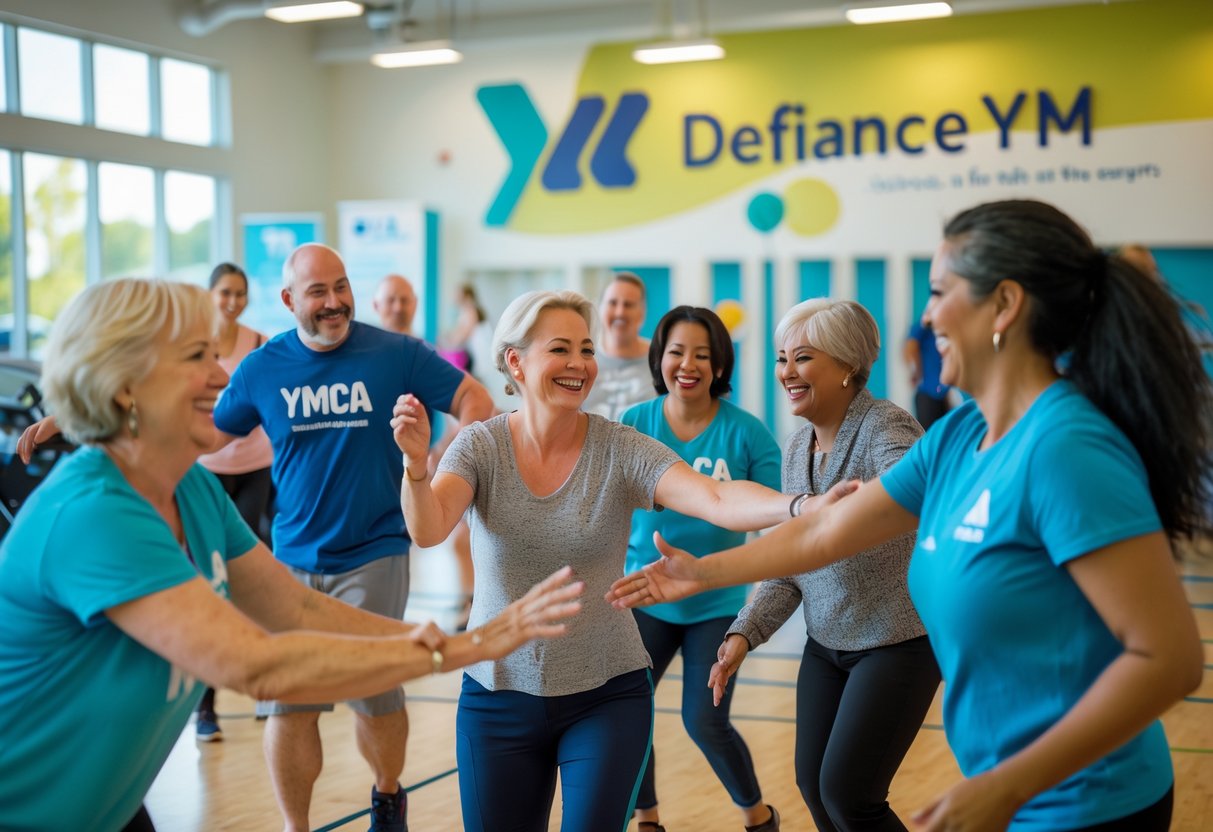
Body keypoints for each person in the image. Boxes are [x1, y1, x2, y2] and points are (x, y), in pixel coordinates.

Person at [611, 199, 1209, 831]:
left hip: (1091, 803)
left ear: (1004, 305)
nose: (925, 316)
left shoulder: (1067, 449)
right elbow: (824, 530)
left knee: (845, 791)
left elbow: (1169, 660)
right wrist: (703, 572)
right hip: (1007, 790)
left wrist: (1006, 788)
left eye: (939, 291)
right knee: (825, 788)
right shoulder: (955, 438)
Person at [0, 278, 583, 832]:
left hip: (106, 809)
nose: (219, 376)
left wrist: (451, 643)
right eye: (196, 357)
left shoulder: (192, 490)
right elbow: (258, 665)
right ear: (124, 384)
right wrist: (466, 648)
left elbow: (298, 612)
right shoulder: (94, 514)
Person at [391, 290, 850, 832]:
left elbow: (716, 498)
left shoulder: (621, 447)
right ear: (515, 361)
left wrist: (803, 505)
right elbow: (428, 528)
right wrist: (417, 467)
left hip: (605, 694)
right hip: (497, 694)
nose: (580, 364)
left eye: (586, 350)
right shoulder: (479, 447)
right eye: (560, 349)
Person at [712, 298, 939, 831]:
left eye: (803, 358)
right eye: (781, 358)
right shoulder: (796, 451)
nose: (787, 372)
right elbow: (791, 564)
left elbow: (914, 492)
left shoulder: (887, 428)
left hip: (896, 644)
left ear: (847, 366)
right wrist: (744, 633)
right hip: (826, 646)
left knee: (850, 793)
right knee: (815, 787)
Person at [620, 306, 783, 832]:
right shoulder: (633, 426)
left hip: (715, 603)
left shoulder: (749, 435)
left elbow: (780, 522)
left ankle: (758, 818)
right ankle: (647, 820)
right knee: (627, 714)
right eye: (676, 351)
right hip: (648, 596)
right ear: (659, 358)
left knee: (705, 720)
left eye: (702, 354)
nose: (687, 364)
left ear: (719, 366)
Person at [194, 262, 276, 742]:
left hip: (253, 468)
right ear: (211, 294)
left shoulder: (260, 343)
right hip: (207, 471)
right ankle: (206, 706)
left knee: (250, 577)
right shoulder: (196, 343)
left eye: (240, 293)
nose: (233, 300)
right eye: (226, 292)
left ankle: (266, 682)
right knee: (211, 580)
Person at [373, 272, 476, 630]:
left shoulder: (424, 354)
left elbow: (454, 406)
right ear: (376, 307)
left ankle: (469, 603)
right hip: (377, 471)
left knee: (450, 536)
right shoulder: (365, 357)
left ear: (415, 304)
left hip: (421, 463)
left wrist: (439, 452)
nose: (398, 308)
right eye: (391, 300)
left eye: (405, 300)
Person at [582, 271, 657, 419]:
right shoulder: (582, 358)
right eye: (613, 303)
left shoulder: (660, 360)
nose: (620, 312)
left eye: (628, 305)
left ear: (642, 312)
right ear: (600, 307)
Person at [901, 306, 951, 430]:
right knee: (930, 437)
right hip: (928, 394)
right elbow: (910, 346)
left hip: (943, 392)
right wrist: (916, 372)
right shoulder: (925, 325)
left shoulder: (944, 328)